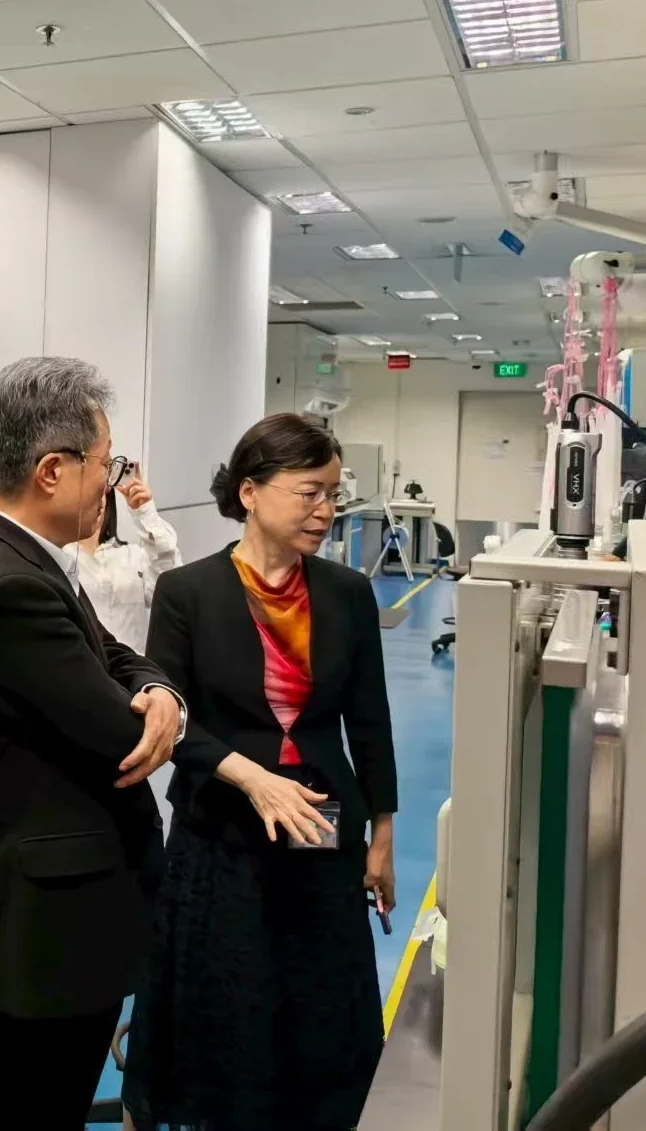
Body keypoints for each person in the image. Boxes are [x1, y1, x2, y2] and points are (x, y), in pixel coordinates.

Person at [0, 357, 185, 1131]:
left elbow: (118, 657)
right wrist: (150, 710)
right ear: (51, 470)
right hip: (39, 937)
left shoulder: (23, 558)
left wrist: (162, 689)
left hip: (50, 925)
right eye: (107, 464)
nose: (110, 481)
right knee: (21, 1109)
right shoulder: (9, 584)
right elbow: (117, 733)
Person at [122, 413, 398, 1131]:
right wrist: (251, 776)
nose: (325, 511)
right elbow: (175, 720)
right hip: (221, 836)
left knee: (315, 996)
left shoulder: (345, 593)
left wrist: (382, 832)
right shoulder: (189, 593)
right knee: (229, 998)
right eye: (309, 492)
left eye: (333, 495)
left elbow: (368, 719)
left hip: (318, 826)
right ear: (250, 491)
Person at [77, 465, 182, 655]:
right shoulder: (59, 558)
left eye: (101, 491)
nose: (95, 500)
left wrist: (145, 511)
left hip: (134, 677)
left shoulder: (133, 557)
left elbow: (172, 581)